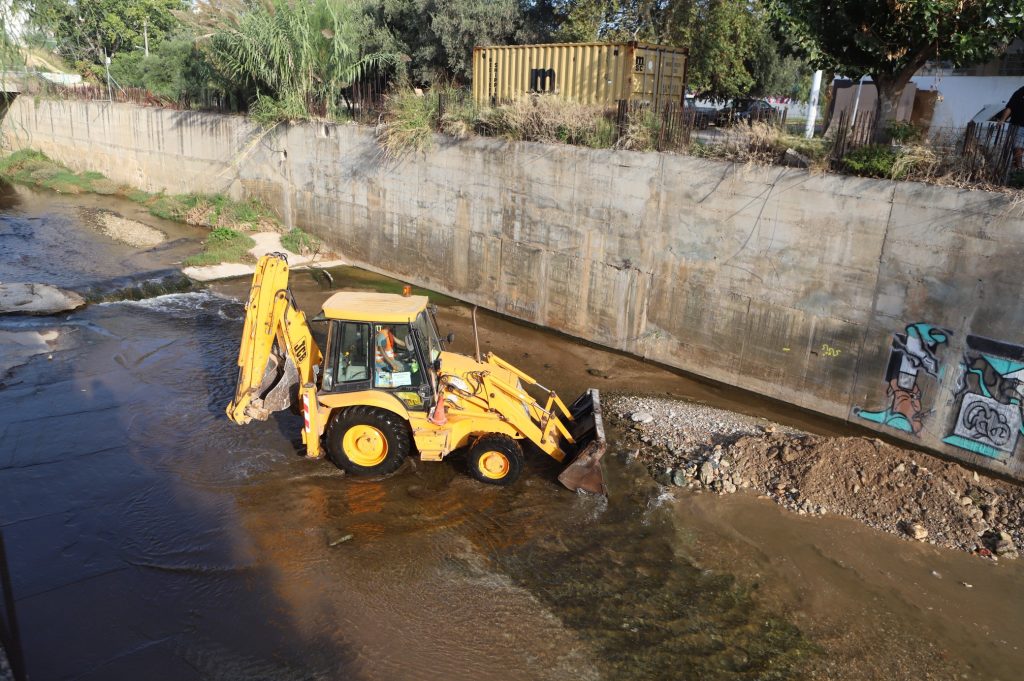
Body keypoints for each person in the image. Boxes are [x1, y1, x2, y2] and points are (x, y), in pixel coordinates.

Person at [997, 84, 1024, 168]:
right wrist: (1002, 120)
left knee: (1020, 149)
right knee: (1017, 147)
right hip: (1017, 125)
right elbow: (1010, 107)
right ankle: (1019, 169)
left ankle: (1016, 170)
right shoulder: (1019, 93)